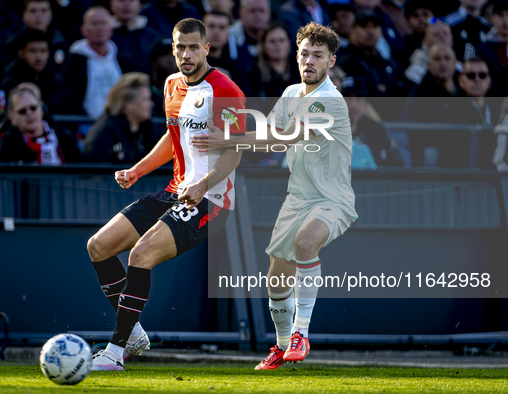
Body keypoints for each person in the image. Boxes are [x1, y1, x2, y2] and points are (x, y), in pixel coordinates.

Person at [192, 21, 357, 369]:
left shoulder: (330, 99)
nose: (309, 61)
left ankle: (301, 332)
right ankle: (282, 347)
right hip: (297, 197)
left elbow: (285, 137)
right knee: (276, 277)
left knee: (305, 243)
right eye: (304, 54)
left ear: (331, 61)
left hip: (333, 198)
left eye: (318, 55)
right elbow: (269, 132)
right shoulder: (290, 93)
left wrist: (226, 140)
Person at [88, 18, 245, 371]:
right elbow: (172, 139)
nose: (186, 54)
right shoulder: (172, 84)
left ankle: (115, 351)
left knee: (140, 255)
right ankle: (134, 333)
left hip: (211, 200)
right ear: (172, 48)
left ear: (207, 48)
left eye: (193, 47)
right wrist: (138, 170)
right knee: (99, 246)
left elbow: (235, 152)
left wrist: (203, 185)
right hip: (174, 191)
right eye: (180, 47)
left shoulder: (227, 91)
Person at [63, 6, 134, 119]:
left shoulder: (123, 59)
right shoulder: (74, 61)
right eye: (94, 23)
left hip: (119, 124)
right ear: (83, 29)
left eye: (103, 23)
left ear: (111, 28)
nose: (99, 28)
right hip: (84, 124)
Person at [0, 83, 79, 164]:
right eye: (22, 111)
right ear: (12, 117)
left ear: (41, 108)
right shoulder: (6, 148)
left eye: (33, 108)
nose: (29, 113)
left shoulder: (66, 138)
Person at [82, 73, 160, 163]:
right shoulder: (104, 131)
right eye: (146, 99)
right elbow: (96, 170)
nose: (151, 104)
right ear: (128, 103)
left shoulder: (150, 129)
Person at [436, 57, 496, 168]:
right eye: (471, 75)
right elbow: (451, 153)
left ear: (489, 81)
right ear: (461, 81)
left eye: (482, 75)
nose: (477, 80)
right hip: (465, 175)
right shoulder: (449, 111)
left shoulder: (498, 107)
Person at [343, 76, 402, 166]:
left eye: (359, 98)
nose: (353, 104)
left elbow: (396, 164)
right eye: (348, 97)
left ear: (366, 102)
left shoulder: (377, 130)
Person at [2, 29, 65, 113]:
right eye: (32, 51)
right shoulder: (10, 80)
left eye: (43, 51)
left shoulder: (55, 78)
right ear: (21, 53)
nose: (39, 57)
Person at [110, 0, 164, 75]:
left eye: (131, 1)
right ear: (111, 4)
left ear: (140, 5)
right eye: (121, 0)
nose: (126, 4)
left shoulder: (153, 36)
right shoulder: (104, 35)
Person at [246, 22, 299, 98]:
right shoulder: (253, 75)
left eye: (282, 40)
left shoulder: (301, 70)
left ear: (289, 43)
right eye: (272, 41)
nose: (278, 45)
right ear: (263, 46)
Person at [404, 19, 460, 85]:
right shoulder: (418, 61)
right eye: (436, 35)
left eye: (445, 34)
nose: (442, 38)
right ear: (425, 40)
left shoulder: (460, 63)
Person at [149, 38, 178, 118]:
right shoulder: (144, 88)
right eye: (165, 55)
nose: (171, 61)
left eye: (174, 56)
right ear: (154, 59)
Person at [203, 11, 236, 78]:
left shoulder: (237, 68)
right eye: (211, 26)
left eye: (222, 27)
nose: (216, 31)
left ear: (228, 34)